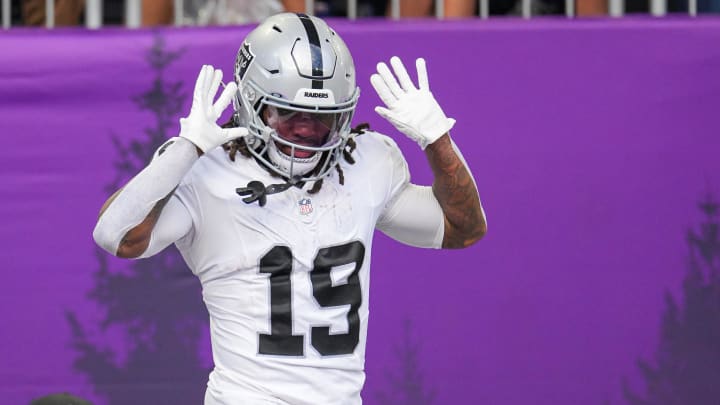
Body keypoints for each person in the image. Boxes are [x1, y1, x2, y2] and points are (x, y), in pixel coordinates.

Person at [92, 12, 486, 405]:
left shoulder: (368, 161)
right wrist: (184, 150)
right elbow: (118, 237)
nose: (306, 129)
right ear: (252, 104)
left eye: (322, 116)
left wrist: (438, 139)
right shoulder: (205, 170)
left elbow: (461, 229)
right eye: (288, 113)